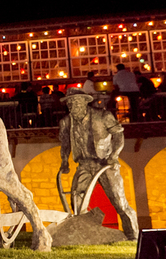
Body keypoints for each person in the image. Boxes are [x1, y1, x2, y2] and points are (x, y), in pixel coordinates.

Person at [58, 89, 138, 240]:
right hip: (84, 165)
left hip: (105, 163)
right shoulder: (66, 122)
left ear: (84, 102)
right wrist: (64, 161)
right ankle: (83, 234)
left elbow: (118, 135)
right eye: (69, 103)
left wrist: (114, 156)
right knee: (77, 199)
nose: (71, 106)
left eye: (74, 102)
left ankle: (132, 234)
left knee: (118, 200)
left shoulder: (103, 116)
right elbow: (65, 144)